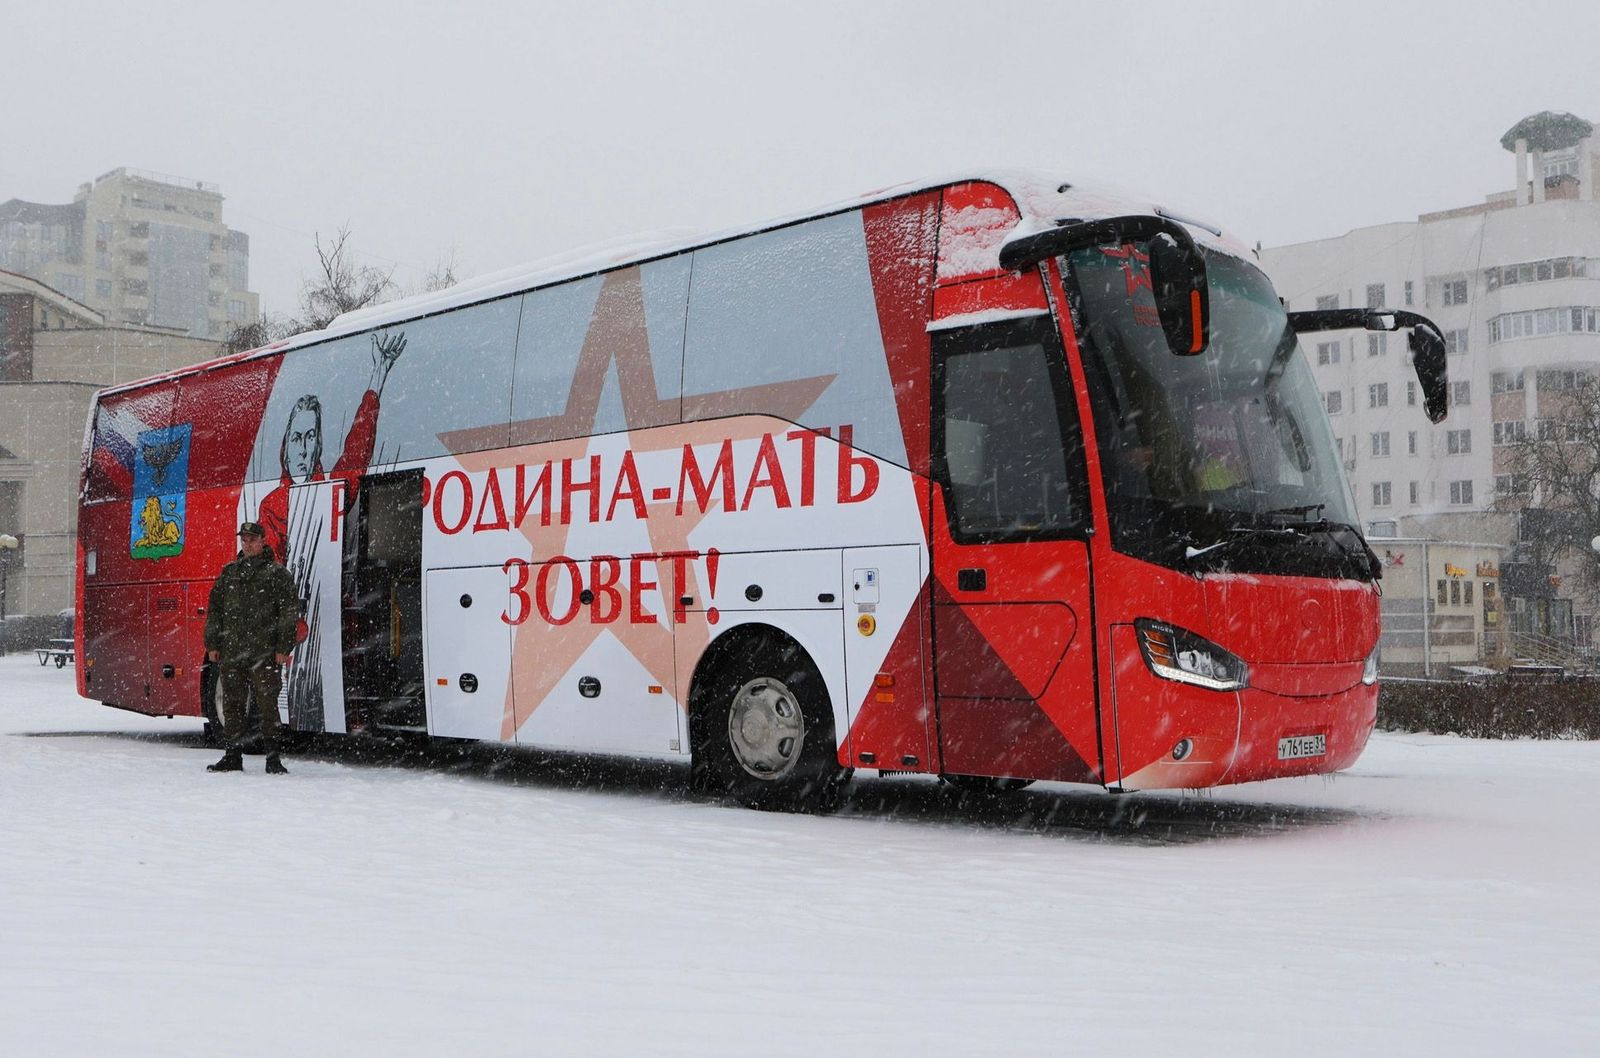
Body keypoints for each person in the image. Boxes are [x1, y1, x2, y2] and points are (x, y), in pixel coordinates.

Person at [203, 521, 301, 774]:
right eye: (243, 540)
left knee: (268, 704)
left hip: (264, 652)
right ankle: (232, 754)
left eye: (251, 539)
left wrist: (283, 647)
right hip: (233, 652)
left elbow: (288, 613)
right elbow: (215, 610)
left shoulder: (277, 574)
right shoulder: (229, 573)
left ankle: (273, 757)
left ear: (262, 541)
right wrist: (213, 643)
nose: (246, 544)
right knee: (232, 704)